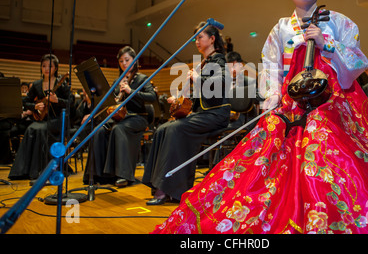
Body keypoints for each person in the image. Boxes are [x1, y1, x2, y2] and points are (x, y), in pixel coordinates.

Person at [151, 0, 368, 234]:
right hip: (291, 107)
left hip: (332, 104)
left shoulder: (341, 22)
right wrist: (270, 101)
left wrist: (327, 44)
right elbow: (270, 71)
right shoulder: (280, 29)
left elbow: (358, 64)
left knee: (326, 142)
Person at [142, 22, 231, 205]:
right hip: (203, 114)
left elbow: (221, 83)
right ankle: (159, 184)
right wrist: (180, 101)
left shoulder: (219, 60)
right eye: (196, 38)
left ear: (212, 39)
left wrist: (198, 78)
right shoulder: (205, 63)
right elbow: (200, 95)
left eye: (200, 37)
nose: (197, 41)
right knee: (163, 129)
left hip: (215, 115)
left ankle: (169, 189)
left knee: (176, 129)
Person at [82, 46, 156, 188]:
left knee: (119, 129)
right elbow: (109, 103)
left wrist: (130, 91)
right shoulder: (118, 81)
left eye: (127, 60)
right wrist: (92, 114)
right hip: (120, 118)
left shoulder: (142, 78)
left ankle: (123, 175)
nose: (124, 63)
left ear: (134, 61)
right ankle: (98, 175)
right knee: (98, 130)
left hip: (138, 117)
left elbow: (152, 97)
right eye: (121, 61)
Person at [9, 54, 71, 180]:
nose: (46, 69)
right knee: (31, 128)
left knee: (39, 129)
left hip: (57, 120)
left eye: (50, 66)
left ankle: (42, 170)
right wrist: (35, 107)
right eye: (44, 66)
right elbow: (25, 102)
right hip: (42, 119)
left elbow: (71, 104)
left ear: (56, 68)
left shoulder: (62, 84)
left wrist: (57, 100)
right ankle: (24, 170)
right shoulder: (36, 85)